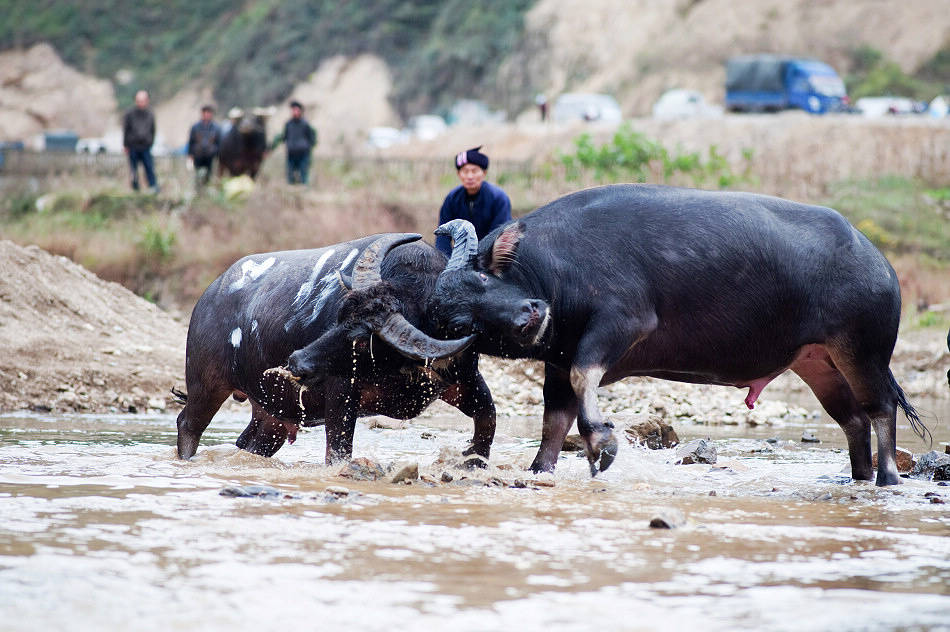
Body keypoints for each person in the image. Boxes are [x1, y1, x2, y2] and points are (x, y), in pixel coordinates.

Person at [435, 146, 512, 257]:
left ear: (484, 173)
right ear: (458, 174)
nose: (470, 176)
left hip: (490, 258)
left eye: (474, 171)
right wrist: (445, 260)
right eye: (465, 171)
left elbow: (498, 236)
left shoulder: (499, 198)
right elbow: (442, 236)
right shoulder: (452, 199)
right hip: (459, 257)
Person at [272, 100, 317, 184]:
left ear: (300, 111)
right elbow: (284, 136)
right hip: (291, 153)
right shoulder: (288, 124)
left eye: (296, 110)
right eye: (293, 110)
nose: (295, 112)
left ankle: (304, 190)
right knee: (290, 175)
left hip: (303, 153)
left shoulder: (305, 124)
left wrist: (309, 147)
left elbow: (312, 137)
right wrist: (273, 144)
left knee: (304, 174)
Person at [122, 90, 158, 193]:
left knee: (149, 168)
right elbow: (126, 129)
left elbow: (153, 129)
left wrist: (151, 142)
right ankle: (135, 188)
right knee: (133, 169)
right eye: (139, 100)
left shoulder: (150, 114)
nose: (141, 103)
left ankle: (153, 187)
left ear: (147, 101)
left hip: (146, 146)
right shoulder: (130, 113)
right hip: (133, 145)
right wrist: (125, 144)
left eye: (143, 100)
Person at [187, 104, 221, 186]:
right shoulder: (195, 127)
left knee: (209, 175)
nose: (207, 115)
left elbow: (218, 143)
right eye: (205, 113)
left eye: (209, 113)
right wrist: (190, 155)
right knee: (198, 175)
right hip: (198, 155)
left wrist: (215, 152)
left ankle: (207, 189)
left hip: (210, 156)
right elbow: (191, 141)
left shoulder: (216, 128)